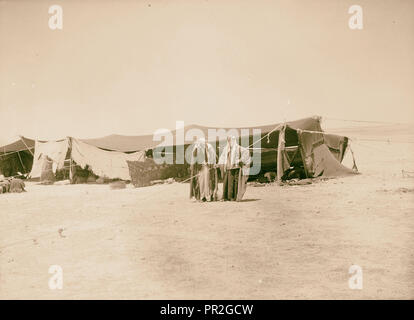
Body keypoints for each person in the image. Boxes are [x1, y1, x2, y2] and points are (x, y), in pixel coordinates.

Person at [219, 136, 251, 201]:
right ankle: (227, 197)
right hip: (228, 168)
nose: (230, 142)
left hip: (236, 167)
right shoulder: (226, 149)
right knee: (228, 183)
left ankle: (235, 197)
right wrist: (220, 163)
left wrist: (240, 160)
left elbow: (246, 153)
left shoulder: (239, 148)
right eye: (229, 140)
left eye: (231, 140)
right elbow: (222, 157)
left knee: (236, 183)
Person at [189, 138, 218, 202]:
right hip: (200, 168)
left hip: (208, 167)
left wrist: (213, 164)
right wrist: (193, 166)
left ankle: (209, 196)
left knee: (208, 182)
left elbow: (213, 156)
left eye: (203, 143)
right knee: (201, 182)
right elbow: (193, 157)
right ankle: (202, 196)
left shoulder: (209, 147)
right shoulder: (196, 147)